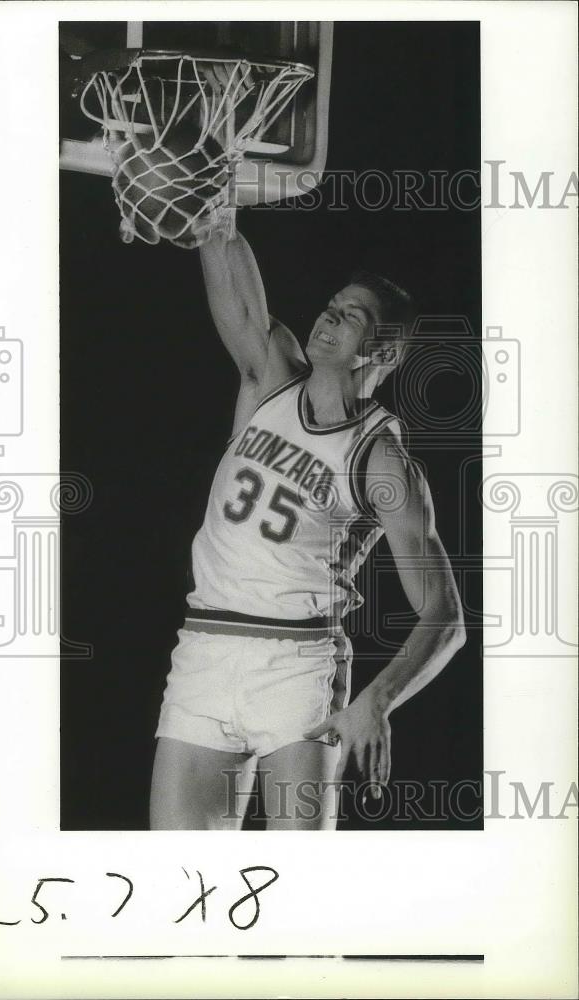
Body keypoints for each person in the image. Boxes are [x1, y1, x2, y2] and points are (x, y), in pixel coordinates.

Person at [150, 225, 465, 830]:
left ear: (386, 353)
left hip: (298, 668)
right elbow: (231, 272)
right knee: (176, 878)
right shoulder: (268, 376)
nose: (328, 319)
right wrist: (211, 204)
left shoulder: (381, 460)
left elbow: (444, 616)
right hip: (205, 650)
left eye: (350, 317)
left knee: (294, 887)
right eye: (330, 306)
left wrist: (379, 698)